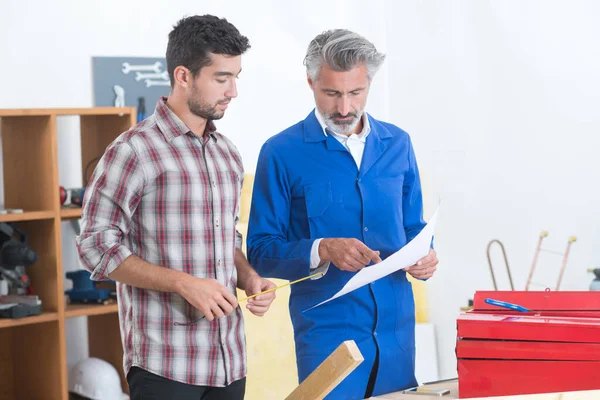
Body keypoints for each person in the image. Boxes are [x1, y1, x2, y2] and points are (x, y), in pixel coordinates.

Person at [76, 15, 276, 400]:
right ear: (183, 76)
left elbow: (225, 237)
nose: (233, 90)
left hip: (229, 361)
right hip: (165, 364)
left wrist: (248, 277)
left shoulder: (228, 155)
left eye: (237, 76)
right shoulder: (132, 151)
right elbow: (94, 247)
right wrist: (183, 283)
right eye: (221, 78)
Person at [247, 29, 439, 399]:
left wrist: (426, 257)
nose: (345, 108)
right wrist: (322, 248)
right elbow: (260, 249)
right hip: (327, 332)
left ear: (369, 84)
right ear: (311, 82)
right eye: (332, 93)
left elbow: (415, 227)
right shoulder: (281, 152)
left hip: (396, 331)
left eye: (356, 93)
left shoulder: (398, 143)